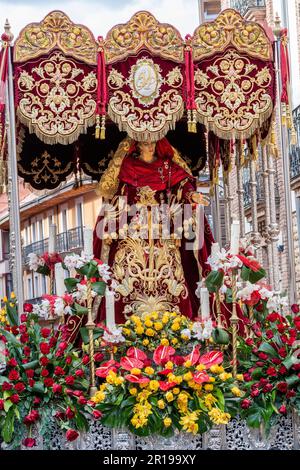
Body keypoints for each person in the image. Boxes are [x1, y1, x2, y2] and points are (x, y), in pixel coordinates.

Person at [93, 136, 214, 323]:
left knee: (171, 265)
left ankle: (177, 318)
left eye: (152, 143)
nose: (150, 147)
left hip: (162, 224)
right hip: (135, 226)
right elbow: (118, 194)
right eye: (145, 143)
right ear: (137, 146)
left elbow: (182, 184)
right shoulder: (127, 166)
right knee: (125, 267)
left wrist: (192, 195)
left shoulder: (166, 166)